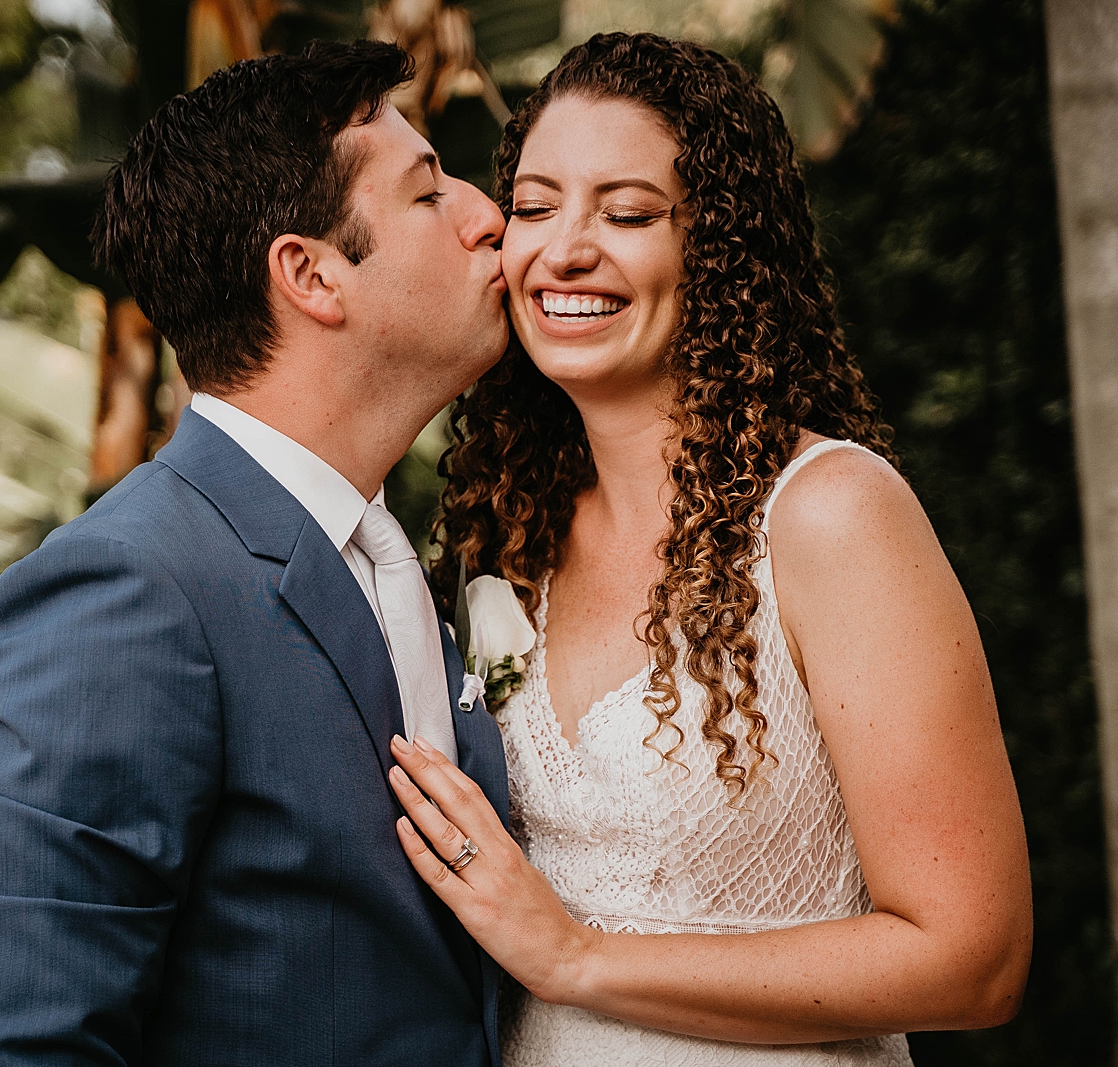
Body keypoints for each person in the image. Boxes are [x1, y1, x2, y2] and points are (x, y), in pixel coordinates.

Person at [388, 33, 1034, 1065]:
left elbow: (972, 956)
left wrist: (578, 959)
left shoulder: (828, 518)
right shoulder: (504, 536)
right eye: (537, 205)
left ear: (720, 247)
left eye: (629, 213)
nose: (565, 248)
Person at [0, 41, 513, 1064]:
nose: (489, 216)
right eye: (429, 194)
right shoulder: (122, 591)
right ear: (309, 273)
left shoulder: (390, 559)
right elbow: (32, 1043)